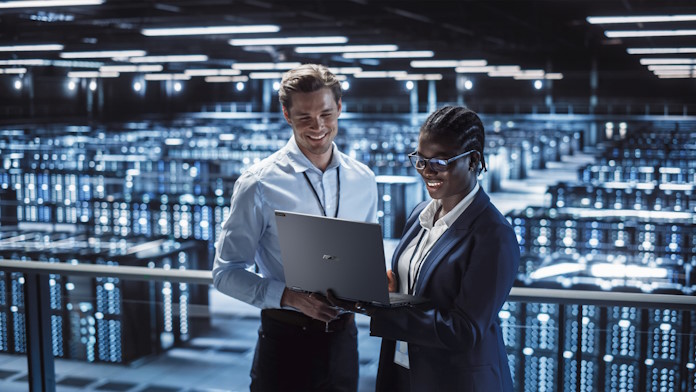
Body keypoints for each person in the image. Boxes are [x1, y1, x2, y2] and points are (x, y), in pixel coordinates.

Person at [212, 64, 378, 392]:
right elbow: (225, 273)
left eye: (326, 114)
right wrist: (289, 297)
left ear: (340, 108)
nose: (317, 127)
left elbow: (364, 258)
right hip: (285, 342)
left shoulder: (363, 179)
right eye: (304, 117)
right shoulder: (259, 184)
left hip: (345, 341)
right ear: (287, 115)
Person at [333, 105, 519, 391]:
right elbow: (415, 291)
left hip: (454, 381)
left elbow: (464, 330)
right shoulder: (420, 215)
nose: (426, 171)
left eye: (440, 162)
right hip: (403, 371)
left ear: (472, 161)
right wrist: (384, 291)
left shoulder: (493, 235)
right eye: (420, 160)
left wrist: (379, 312)